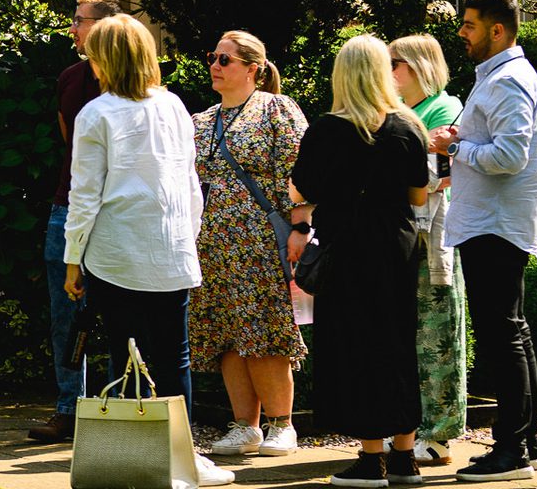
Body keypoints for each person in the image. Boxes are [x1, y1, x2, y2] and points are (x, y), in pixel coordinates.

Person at [60, 14, 234, 488]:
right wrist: (187, 238)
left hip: (116, 252)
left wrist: (72, 259)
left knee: (125, 355)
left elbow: (85, 193)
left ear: (105, 60)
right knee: (174, 357)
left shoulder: (96, 114)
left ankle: (135, 461)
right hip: (171, 249)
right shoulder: (174, 106)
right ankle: (183, 459)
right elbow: (189, 183)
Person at [284, 35, 430, 487]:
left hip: (348, 246)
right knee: (398, 343)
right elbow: (418, 194)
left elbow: (299, 191)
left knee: (357, 346)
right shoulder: (408, 128)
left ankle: (371, 459)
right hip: (397, 244)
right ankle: (405, 456)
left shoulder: (328, 130)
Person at [431, 0, 537, 482]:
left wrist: (456, 150)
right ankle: (528, 442)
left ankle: (513, 452)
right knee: (512, 333)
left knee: (503, 338)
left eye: (469, 24)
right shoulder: (500, 76)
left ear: (498, 29)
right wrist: (464, 142)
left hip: (493, 224)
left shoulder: (508, 80)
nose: (461, 32)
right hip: (491, 222)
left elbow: (510, 157)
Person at [189, 30, 308, 458]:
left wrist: (301, 226)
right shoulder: (202, 120)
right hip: (213, 246)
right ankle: (245, 426)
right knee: (226, 335)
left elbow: (300, 172)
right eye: (213, 58)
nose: (215, 66)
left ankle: (282, 424)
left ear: (252, 68)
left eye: (225, 60)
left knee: (265, 333)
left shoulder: (276, 109)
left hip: (261, 244)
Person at [28, 0, 118, 443]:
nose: (72, 30)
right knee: (66, 313)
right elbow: (72, 145)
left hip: (118, 213)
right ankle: (69, 408)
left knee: (120, 312)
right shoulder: (70, 77)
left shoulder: (134, 85)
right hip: (68, 204)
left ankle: (116, 407)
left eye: (80, 21)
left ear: (104, 27)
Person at [390, 33, 468, 467]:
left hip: (432, 238)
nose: (388, 73)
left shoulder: (446, 108)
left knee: (436, 335)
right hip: (401, 235)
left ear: (419, 66)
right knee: (405, 336)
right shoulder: (405, 112)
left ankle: (439, 433)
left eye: (394, 64)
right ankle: (409, 427)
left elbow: (440, 173)